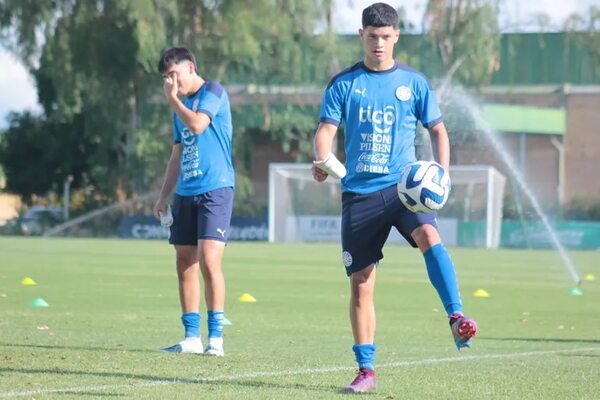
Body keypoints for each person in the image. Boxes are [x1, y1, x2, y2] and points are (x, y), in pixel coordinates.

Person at [312, 3, 477, 393]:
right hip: (360, 194)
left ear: (397, 36)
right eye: (373, 37)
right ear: (362, 36)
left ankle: (456, 317)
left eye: (386, 37)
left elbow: (438, 130)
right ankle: (366, 368)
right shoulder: (344, 84)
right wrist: (323, 158)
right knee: (362, 282)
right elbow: (324, 131)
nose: (379, 44)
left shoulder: (415, 83)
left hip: (406, 188)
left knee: (429, 238)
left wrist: (443, 175)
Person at [153, 46, 235, 357]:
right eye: (166, 78)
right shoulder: (179, 105)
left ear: (191, 67)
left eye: (173, 75)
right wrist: (163, 195)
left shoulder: (213, 91)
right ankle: (191, 337)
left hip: (216, 189)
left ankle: (216, 338)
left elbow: (198, 125)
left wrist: (173, 101)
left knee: (210, 260)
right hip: (186, 192)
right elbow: (177, 153)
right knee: (184, 262)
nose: (171, 83)